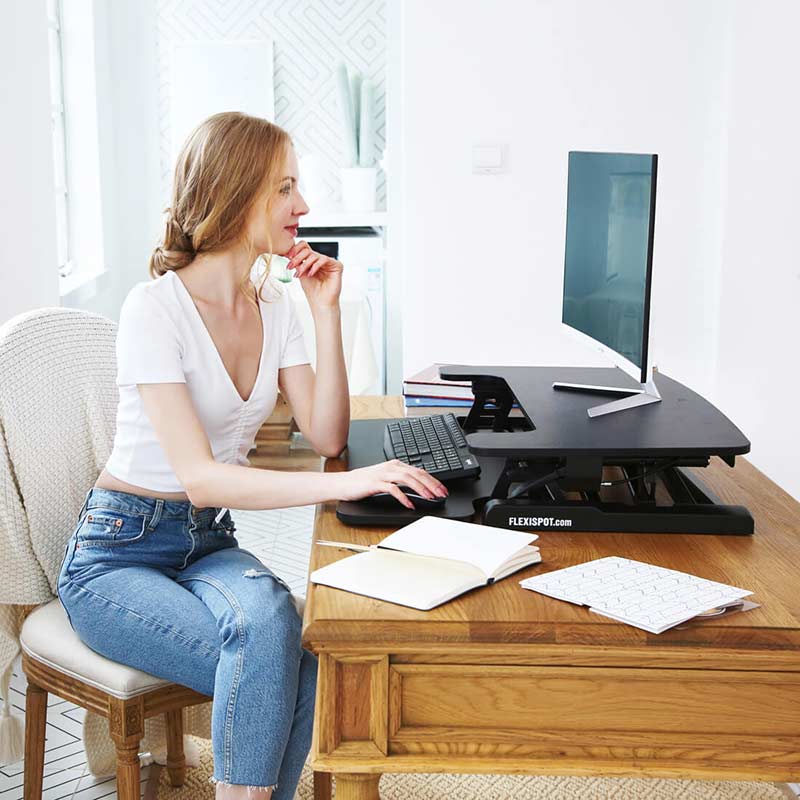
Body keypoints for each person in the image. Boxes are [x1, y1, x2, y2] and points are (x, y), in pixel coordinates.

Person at [56, 111, 448, 800]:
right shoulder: (155, 310)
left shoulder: (275, 304)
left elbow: (325, 435)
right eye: (285, 188)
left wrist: (325, 309)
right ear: (237, 195)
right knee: (283, 661)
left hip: (207, 545)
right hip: (118, 554)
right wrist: (354, 483)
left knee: (277, 625)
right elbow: (202, 478)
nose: (303, 206)